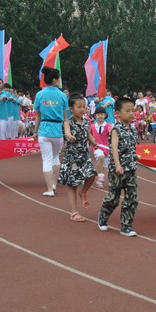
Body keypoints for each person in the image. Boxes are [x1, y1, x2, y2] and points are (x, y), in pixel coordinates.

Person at [97, 98, 139, 237]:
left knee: (132, 198)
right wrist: (118, 165)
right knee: (113, 198)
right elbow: (114, 148)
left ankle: (126, 226)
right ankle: (103, 215)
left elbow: (133, 148)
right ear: (118, 113)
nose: (131, 113)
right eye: (127, 111)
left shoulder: (133, 129)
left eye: (133, 110)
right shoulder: (116, 129)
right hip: (118, 170)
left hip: (131, 169)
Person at [58, 94, 98, 222]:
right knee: (72, 184)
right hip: (72, 157)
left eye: (84, 107)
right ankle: (74, 212)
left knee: (92, 174)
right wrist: (70, 137)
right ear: (71, 109)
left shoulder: (86, 121)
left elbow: (87, 134)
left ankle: (83, 192)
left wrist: (93, 141)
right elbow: (67, 132)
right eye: (79, 107)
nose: (82, 109)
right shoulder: (67, 122)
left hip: (84, 155)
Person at [32, 67, 68, 196]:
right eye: (58, 79)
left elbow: (37, 115)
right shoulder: (62, 95)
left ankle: (49, 189)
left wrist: (35, 132)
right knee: (55, 157)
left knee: (46, 160)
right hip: (57, 130)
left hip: (44, 130)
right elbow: (65, 117)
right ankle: (53, 184)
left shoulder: (40, 94)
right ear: (54, 80)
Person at [90, 106, 113, 189]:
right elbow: (89, 135)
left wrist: (111, 132)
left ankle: (100, 179)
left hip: (106, 148)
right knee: (100, 157)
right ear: (95, 116)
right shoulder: (92, 126)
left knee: (103, 164)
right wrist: (91, 142)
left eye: (102, 114)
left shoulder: (108, 125)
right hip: (96, 147)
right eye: (98, 114)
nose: (100, 116)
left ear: (105, 115)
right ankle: (100, 178)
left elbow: (111, 131)